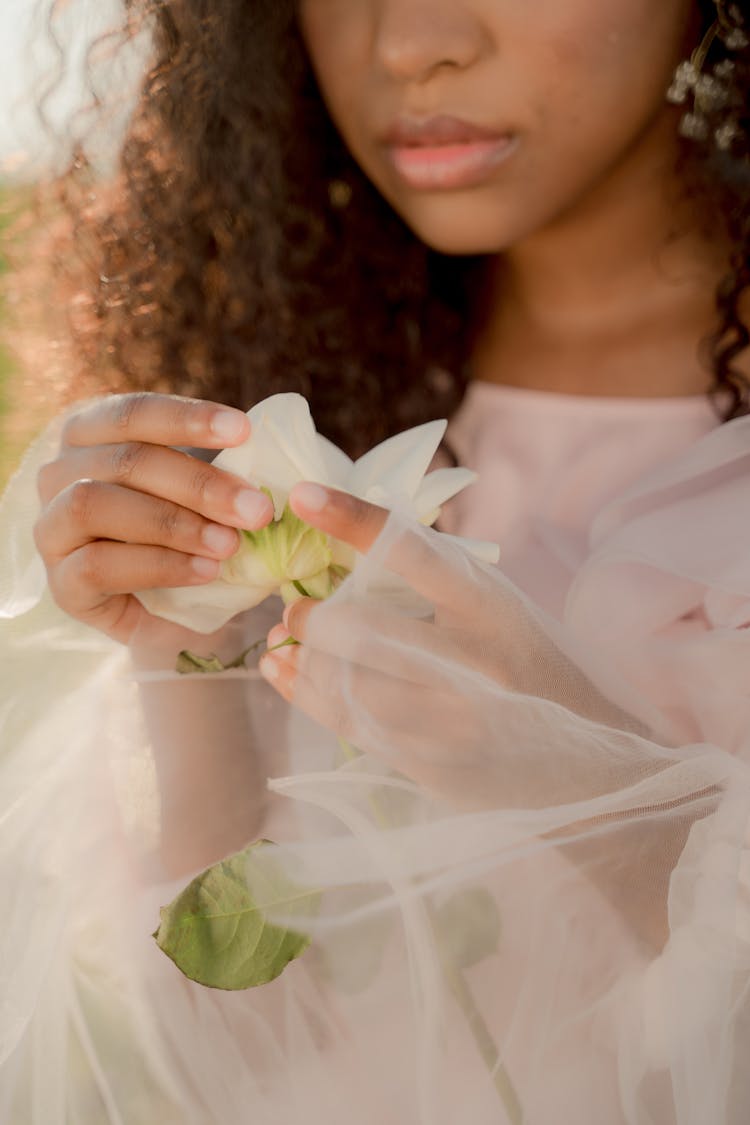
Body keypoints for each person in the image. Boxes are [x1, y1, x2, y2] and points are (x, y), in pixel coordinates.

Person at [1, 0, 749, 1122]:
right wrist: (184, 657)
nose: (409, 43)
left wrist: (577, 769)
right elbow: (248, 1063)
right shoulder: (303, 384)